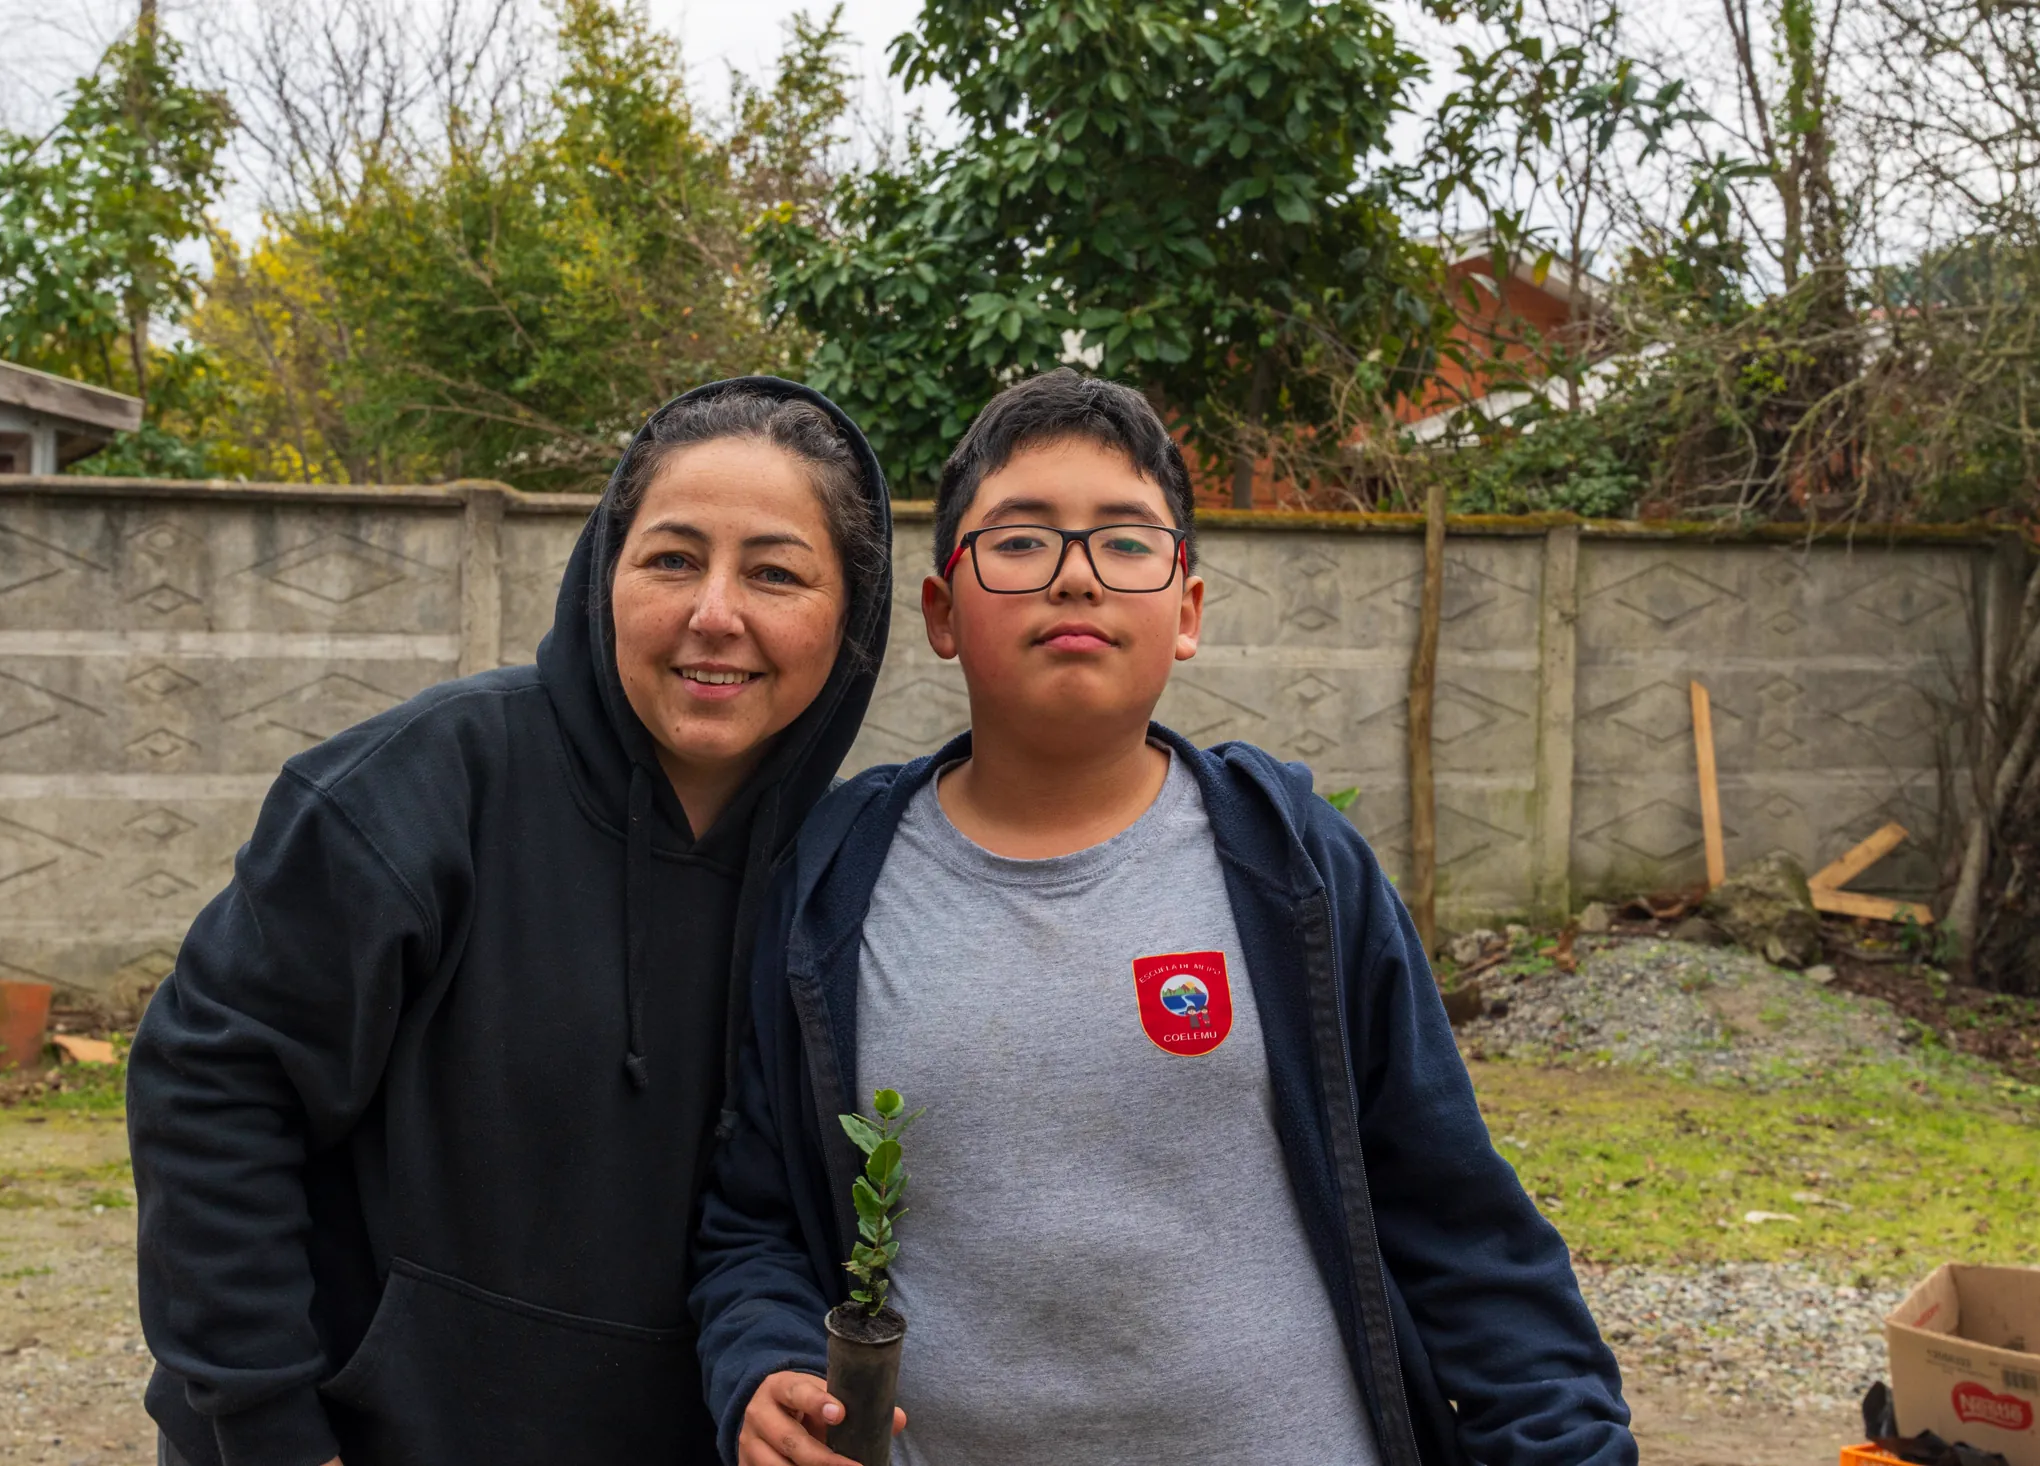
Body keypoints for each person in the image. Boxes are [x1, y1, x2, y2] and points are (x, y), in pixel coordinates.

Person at [689, 369, 1636, 1466]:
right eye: (1021, 541)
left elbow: (1461, 1223)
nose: (1076, 579)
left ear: (1185, 611)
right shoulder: (832, 881)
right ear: (942, 611)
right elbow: (752, 1220)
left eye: (1127, 543)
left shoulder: (1294, 869)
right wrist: (760, 1365)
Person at [127, 378, 892, 1466]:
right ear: (602, 576)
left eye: (774, 572)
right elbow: (209, 1089)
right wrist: (271, 1431)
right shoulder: (421, 788)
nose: (715, 611)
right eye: (672, 558)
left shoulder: (837, 876)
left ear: (849, 613)